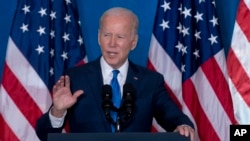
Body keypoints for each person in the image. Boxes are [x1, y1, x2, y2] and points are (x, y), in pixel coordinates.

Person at [35, 7, 195, 141]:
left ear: (133, 42)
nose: (112, 43)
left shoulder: (151, 81)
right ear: (99, 38)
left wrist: (183, 125)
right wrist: (58, 111)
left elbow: (175, 118)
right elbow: (44, 134)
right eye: (107, 35)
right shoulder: (75, 78)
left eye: (120, 37)